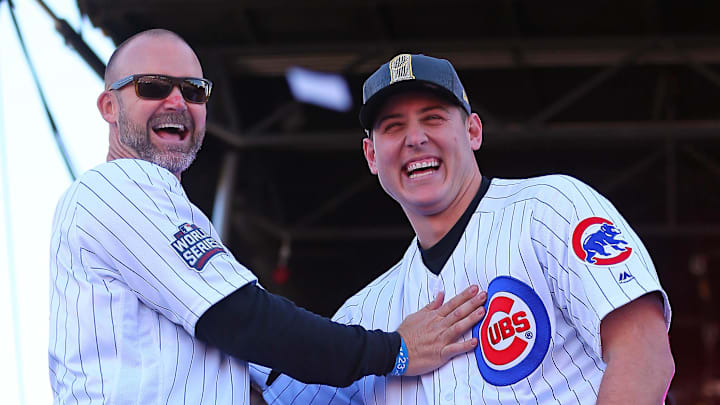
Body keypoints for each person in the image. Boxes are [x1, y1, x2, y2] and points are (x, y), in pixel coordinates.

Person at [48, 33, 489, 404]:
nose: (177, 102)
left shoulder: (168, 215)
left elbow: (270, 370)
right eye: (153, 87)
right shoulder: (112, 189)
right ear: (109, 105)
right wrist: (395, 350)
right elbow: (244, 321)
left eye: (194, 90)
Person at [256, 54, 675, 404]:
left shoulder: (550, 208)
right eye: (393, 126)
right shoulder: (365, 316)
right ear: (370, 154)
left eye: (433, 118)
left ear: (473, 131)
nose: (415, 138)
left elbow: (644, 353)